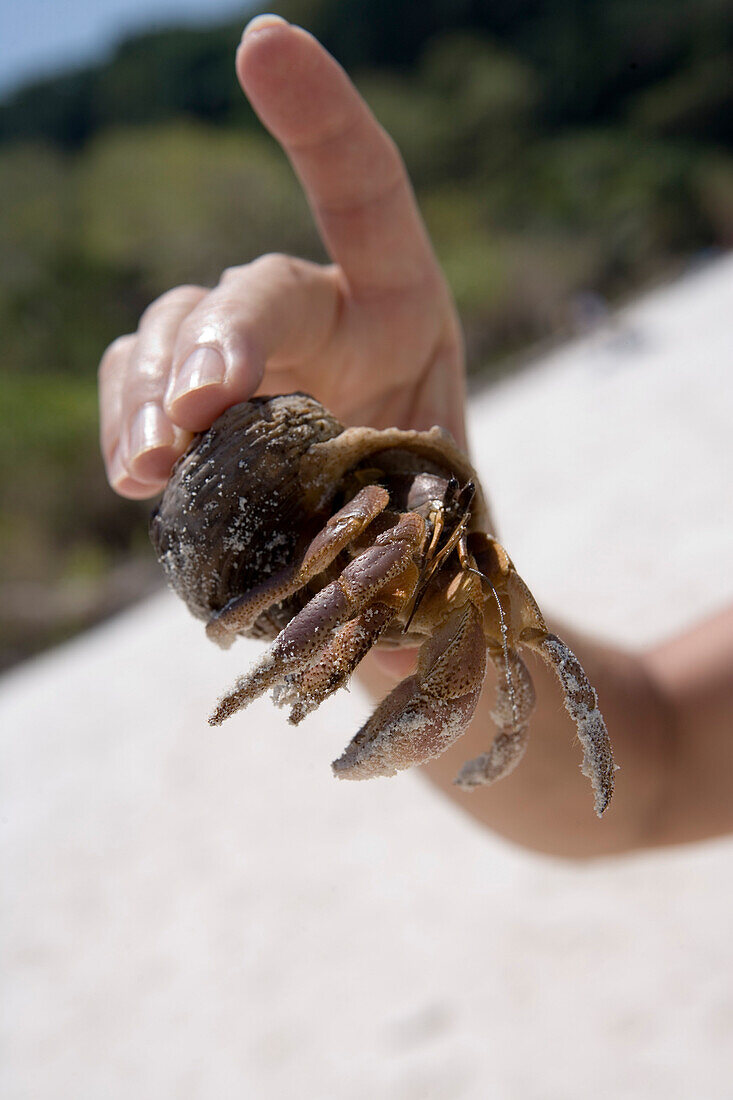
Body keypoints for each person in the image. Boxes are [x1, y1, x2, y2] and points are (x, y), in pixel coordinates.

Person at [99, 14, 733, 858]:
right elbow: (660, 762)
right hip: (355, 514)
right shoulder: (384, 489)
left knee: (446, 567)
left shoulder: (427, 540)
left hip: (372, 532)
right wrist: (357, 640)